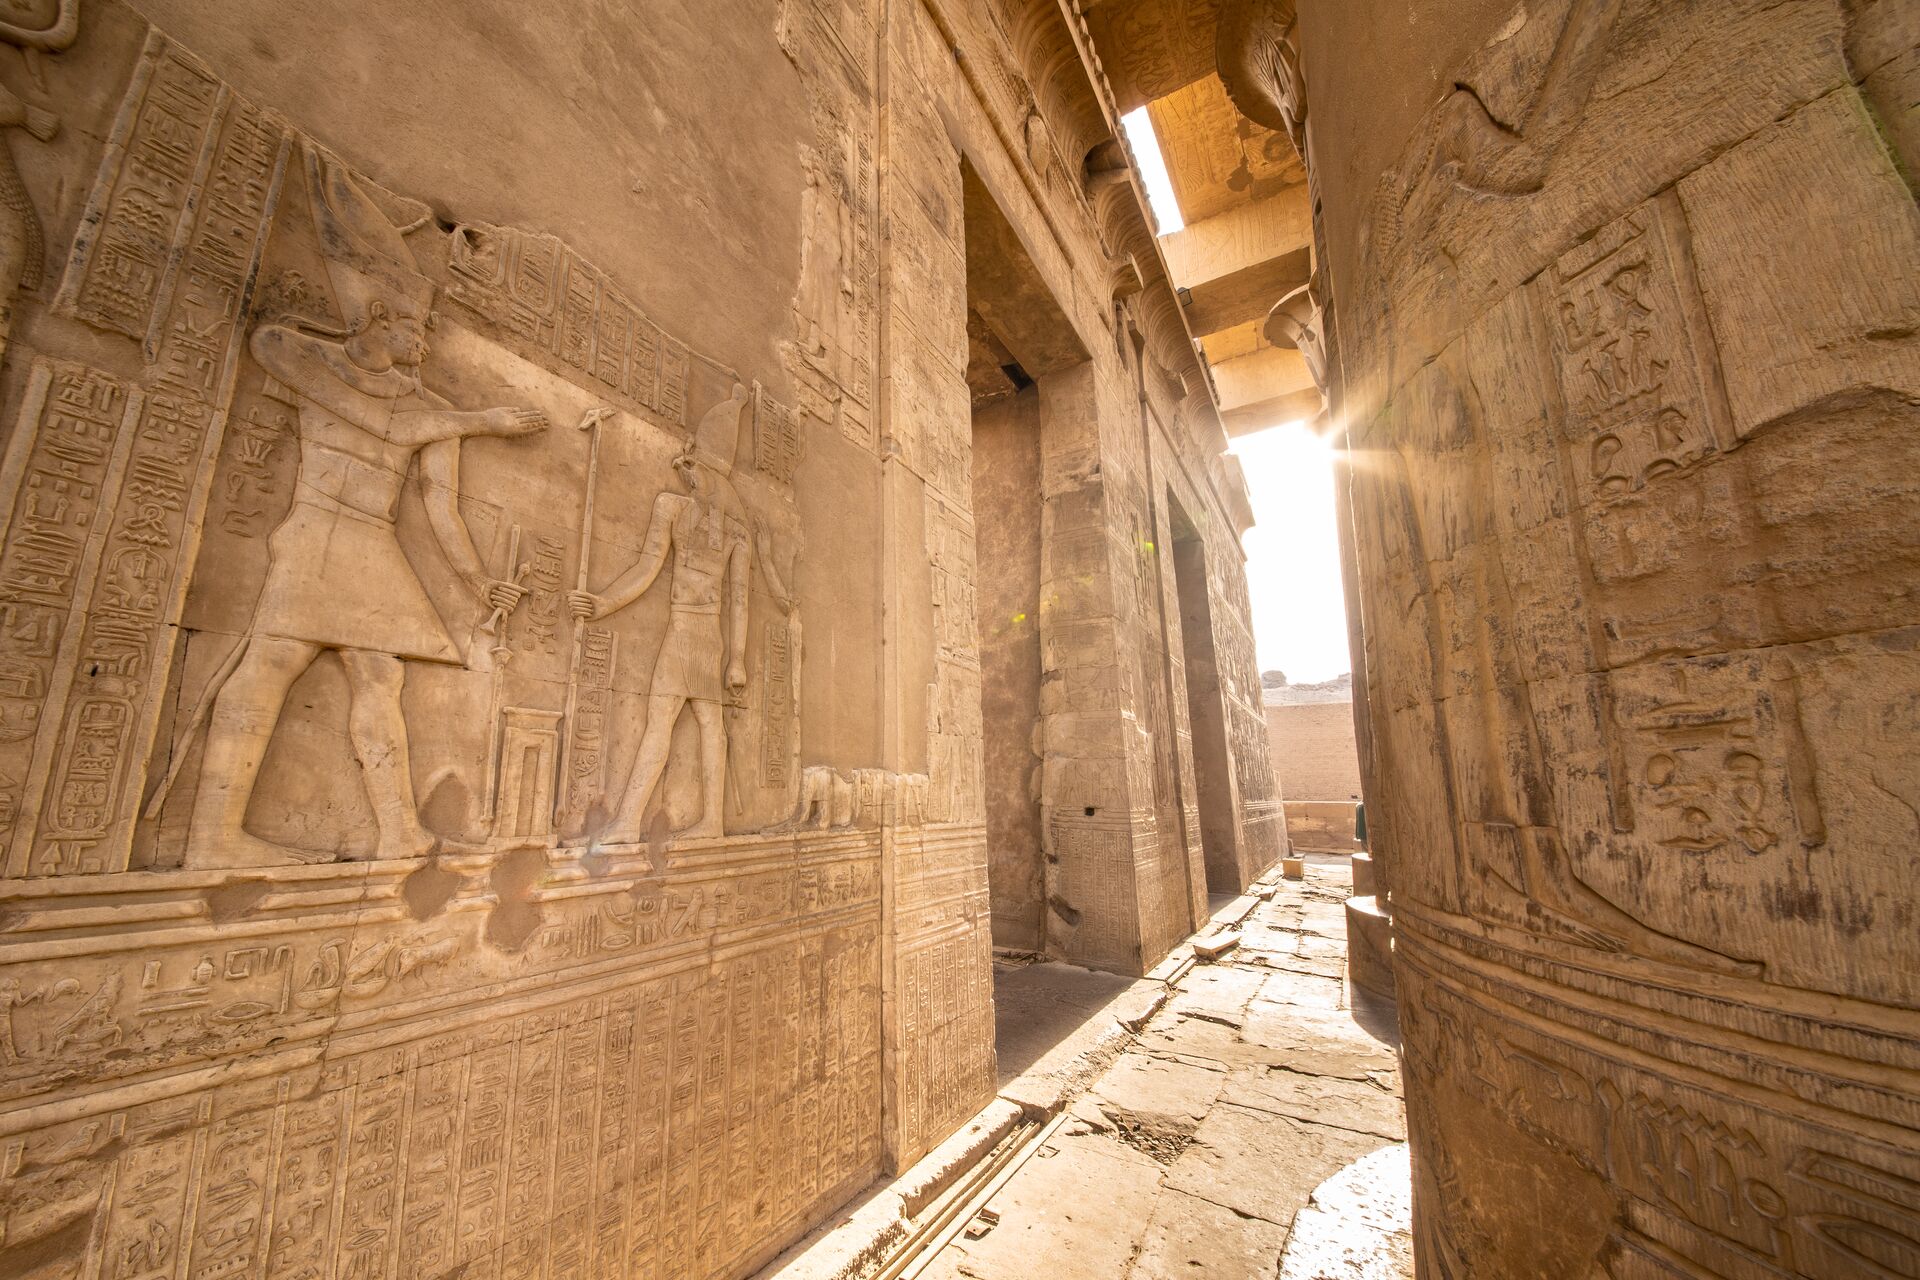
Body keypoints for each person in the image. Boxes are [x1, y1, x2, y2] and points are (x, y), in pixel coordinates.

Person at [180, 147, 547, 868]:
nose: (426, 340)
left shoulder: (430, 409)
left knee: (380, 677)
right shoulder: (311, 361)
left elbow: (442, 510)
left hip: (373, 542)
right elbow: (282, 354)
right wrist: (481, 419)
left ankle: (397, 831)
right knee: (271, 664)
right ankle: (211, 835)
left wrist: (478, 584)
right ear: (379, 317)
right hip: (317, 531)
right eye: (416, 328)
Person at [570, 385, 751, 842]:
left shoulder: (734, 533)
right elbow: (646, 568)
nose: (690, 477)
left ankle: (705, 822)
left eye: (696, 471)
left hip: (703, 637)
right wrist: (605, 602)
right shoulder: (673, 509)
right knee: (675, 724)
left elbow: (741, 599)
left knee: (698, 726)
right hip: (690, 631)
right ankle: (630, 820)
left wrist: (738, 661)